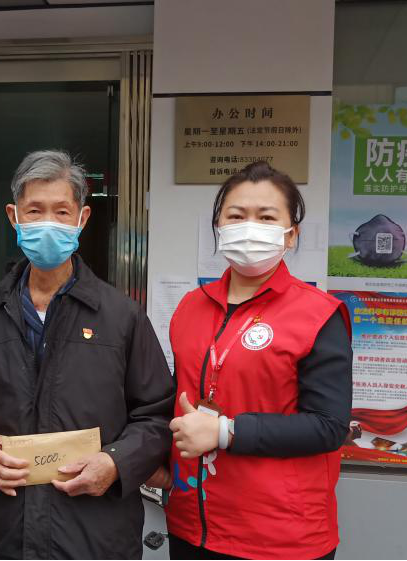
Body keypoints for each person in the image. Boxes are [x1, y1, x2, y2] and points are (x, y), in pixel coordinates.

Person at [0, 150, 176, 560]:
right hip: (8, 534)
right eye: (34, 211)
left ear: (82, 219)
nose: (48, 223)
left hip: (98, 535)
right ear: (13, 216)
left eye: (61, 211)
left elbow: (156, 415)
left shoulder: (121, 316)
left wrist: (115, 462)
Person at [150, 162, 353, 561]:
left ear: (291, 234)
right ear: (219, 227)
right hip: (192, 524)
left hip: (279, 535)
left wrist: (226, 431)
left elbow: (329, 426)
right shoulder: (190, 307)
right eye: (236, 215)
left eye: (266, 217)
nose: (249, 227)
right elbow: (178, 398)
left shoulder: (319, 314)